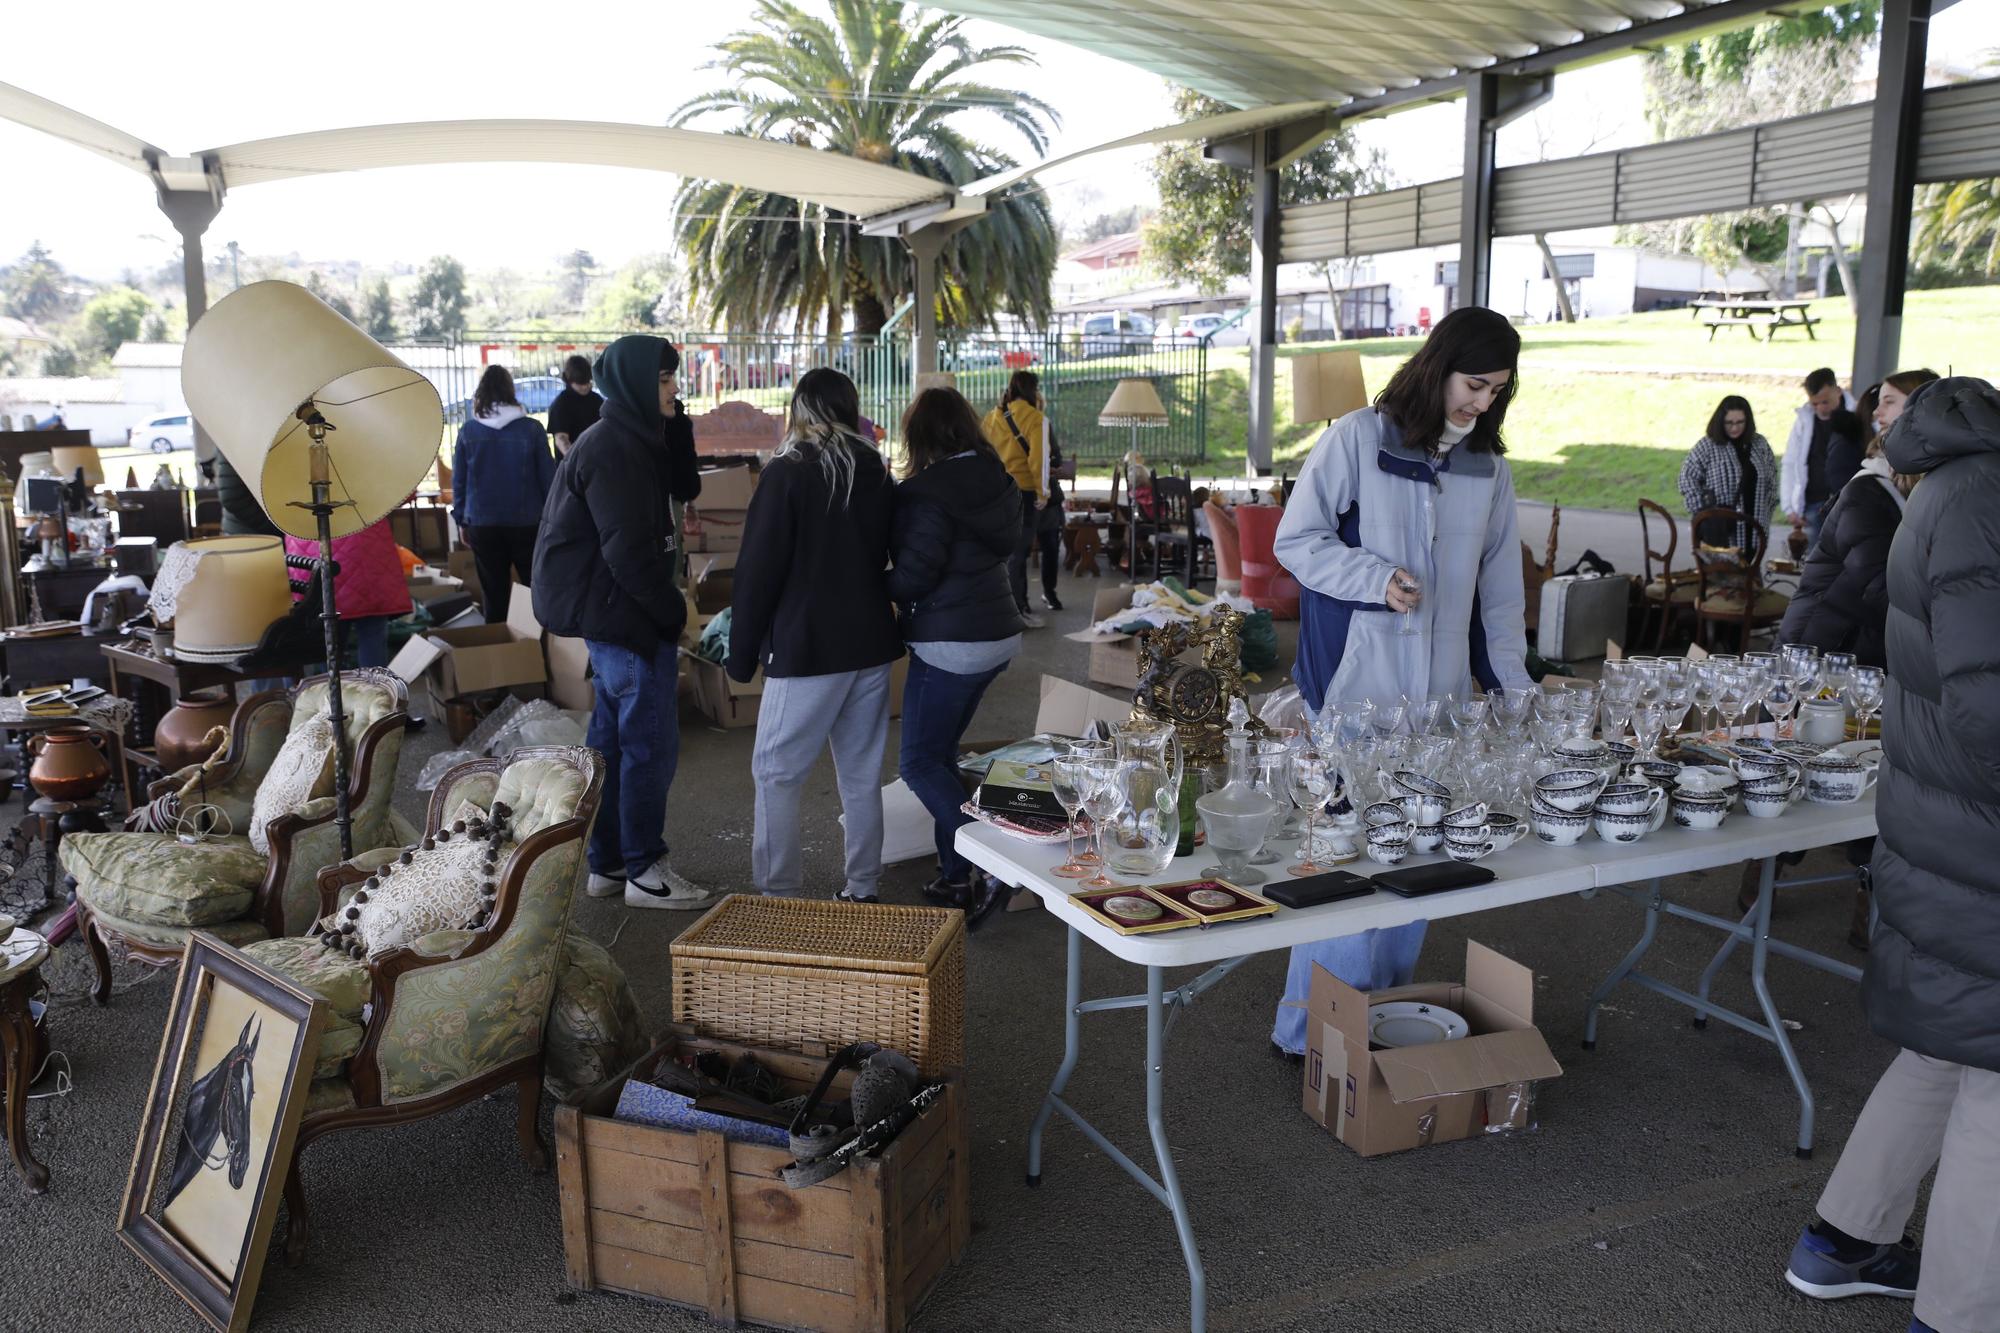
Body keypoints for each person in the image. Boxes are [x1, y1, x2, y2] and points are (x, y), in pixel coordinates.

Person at [1781, 376, 2000, 1333]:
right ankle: (1961, 1313)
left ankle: (1847, 1239)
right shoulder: (1983, 498)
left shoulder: (1957, 486)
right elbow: (1989, 704)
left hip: (1956, 830)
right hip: (1979, 840)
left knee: (1948, 1048)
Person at [1267, 305, 1534, 1057]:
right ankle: (1308, 1035)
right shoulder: (1356, 437)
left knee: (1418, 865)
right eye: (1474, 384)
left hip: (1440, 704)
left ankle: (1373, 1020)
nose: (1481, 403)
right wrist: (1373, 577)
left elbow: (1502, 594)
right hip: (1355, 691)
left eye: (1497, 392)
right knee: (1351, 871)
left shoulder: (1490, 470)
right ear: (1438, 364)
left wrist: (1516, 694)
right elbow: (1297, 539)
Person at [533, 335, 711, 911]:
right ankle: (645, 871)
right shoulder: (615, 449)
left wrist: (675, 421)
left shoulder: (634, 437)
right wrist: (672, 613)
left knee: (610, 745)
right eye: (665, 381)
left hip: (614, 615)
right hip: (626, 617)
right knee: (648, 748)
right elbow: (628, 554)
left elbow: (687, 485)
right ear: (638, 382)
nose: (675, 390)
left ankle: (608, 864)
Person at [1763, 369, 1938, 945]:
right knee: (1811, 771)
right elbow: (1879, 583)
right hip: (1824, 650)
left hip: (1868, 653)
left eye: (1892, 403)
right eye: (1880, 404)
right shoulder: (1872, 489)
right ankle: (1763, 865)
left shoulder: (1922, 492)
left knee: (1873, 773)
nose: (1879, 414)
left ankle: (1868, 895)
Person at [728, 368, 901, 902]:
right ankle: (863, 885)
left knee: (776, 774)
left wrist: (740, 656)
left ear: (799, 409)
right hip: (871, 641)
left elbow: (758, 570)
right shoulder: (874, 467)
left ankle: (779, 892)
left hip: (807, 647)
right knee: (861, 772)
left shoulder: (788, 471)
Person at [885, 387, 1021, 924]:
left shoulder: (925, 492)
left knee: (918, 762)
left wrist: (873, 585)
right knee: (941, 755)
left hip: (949, 641)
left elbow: (915, 573)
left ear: (919, 437)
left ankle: (989, 860)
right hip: (996, 634)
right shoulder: (999, 479)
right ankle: (954, 877)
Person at [451, 365, 556, 625]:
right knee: (536, 589)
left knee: (494, 593)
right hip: (527, 523)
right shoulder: (531, 429)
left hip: (482, 523)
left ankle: (500, 650)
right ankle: (539, 647)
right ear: (512, 391)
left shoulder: (468, 432)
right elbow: (549, 479)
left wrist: (461, 520)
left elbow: (459, 482)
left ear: (481, 392)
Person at [283, 519, 410, 668]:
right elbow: (401, 498)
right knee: (372, 635)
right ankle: (375, 688)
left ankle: (332, 688)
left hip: (311, 550)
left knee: (326, 644)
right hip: (368, 550)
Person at [981, 370, 1051, 629]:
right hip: (1024, 491)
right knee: (1019, 554)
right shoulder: (1036, 418)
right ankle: (1016, 612)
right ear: (1033, 390)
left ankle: (1007, 608)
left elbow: (984, 452)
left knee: (1003, 554)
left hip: (998, 490)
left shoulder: (992, 417)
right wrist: (1043, 493)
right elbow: (1039, 461)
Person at [1678, 395, 1776, 551]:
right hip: (1720, 534)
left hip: (1755, 530)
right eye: (1729, 423)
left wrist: (1766, 512)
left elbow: (1772, 482)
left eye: (1740, 422)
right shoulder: (1707, 446)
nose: (1735, 428)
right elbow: (1687, 479)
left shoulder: (1760, 444)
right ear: (1720, 421)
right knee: (1721, 574)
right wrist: (1705, 513)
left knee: (1750, 573)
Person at [1780, 366, 1863, 549]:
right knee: (1812, 563)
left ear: (1838, 391)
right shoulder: (1804, 419)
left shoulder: (1857, 416)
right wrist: (1789, 506)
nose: (1820, 408)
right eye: (1814, 403)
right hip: (1813, 504)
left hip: (1846, 504)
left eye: (1825, 402)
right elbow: (1791, 461)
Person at [1034, 431, 1076, 611]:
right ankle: (1022, 601)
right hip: (1024, 496)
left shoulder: (1042, 425)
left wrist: (1048, 466)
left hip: (1046, 498)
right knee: (1020, 554)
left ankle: (1048, 592)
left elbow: (1057, 459)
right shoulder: (1001, 421)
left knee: (1050, 548)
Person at [546, 354, 603, 457]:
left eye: (587, 382)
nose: (585, 387)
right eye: (580, 383)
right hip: (572, 466)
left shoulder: (596, 400)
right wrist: (576, 461)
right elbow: (561, 438)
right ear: (569, 380)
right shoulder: (561, 404)